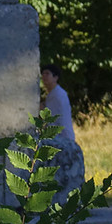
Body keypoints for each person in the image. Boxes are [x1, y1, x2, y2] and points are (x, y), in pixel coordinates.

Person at [39, 65, 87, 199]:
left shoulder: (57, 95)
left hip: (62, 137)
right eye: (43, 74)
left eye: (47, 74)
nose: (44, 76)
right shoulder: (54, 94)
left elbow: (50, 118)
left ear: (56, 77)